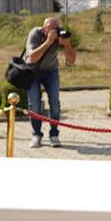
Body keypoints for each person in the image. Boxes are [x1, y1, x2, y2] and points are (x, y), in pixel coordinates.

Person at [22, 16, 75, 148]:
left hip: (51, 71)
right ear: (44, 29)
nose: (55, 32)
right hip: (32, 71)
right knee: (34, 104)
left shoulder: (60, 35)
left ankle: (54, 135)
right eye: (52, 29)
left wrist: (67, 44)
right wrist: (47, 42)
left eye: (56, 29)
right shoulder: (35, 33)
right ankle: (36, 135)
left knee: (55, 103)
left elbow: (72, 60)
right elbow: (32, 58)